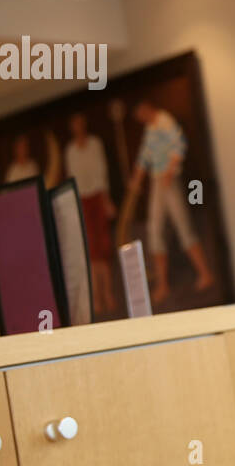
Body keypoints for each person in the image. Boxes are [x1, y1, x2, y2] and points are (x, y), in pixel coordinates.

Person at [127, 100, 214, 305]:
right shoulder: (150, 129)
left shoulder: (165, 121)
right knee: (154, 229)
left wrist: (170, 168)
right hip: (158, 180)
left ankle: (205, 273)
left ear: (146, 109)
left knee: (183, 226)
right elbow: (145, 156)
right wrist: (137, 179)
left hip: (169, 179)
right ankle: (163, 284)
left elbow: (179, 144)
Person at [64, 112, 118, 315]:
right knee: (90, 248)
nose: (79, 127)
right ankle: (96, 297)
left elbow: (101, 171)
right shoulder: (70, 150)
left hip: (97, 195)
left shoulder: (95, 144)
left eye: (81, 123)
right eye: (75, 124)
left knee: (104, 245)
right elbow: (72, 176)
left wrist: (105, 199)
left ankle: (109, 293)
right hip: (82, 199)